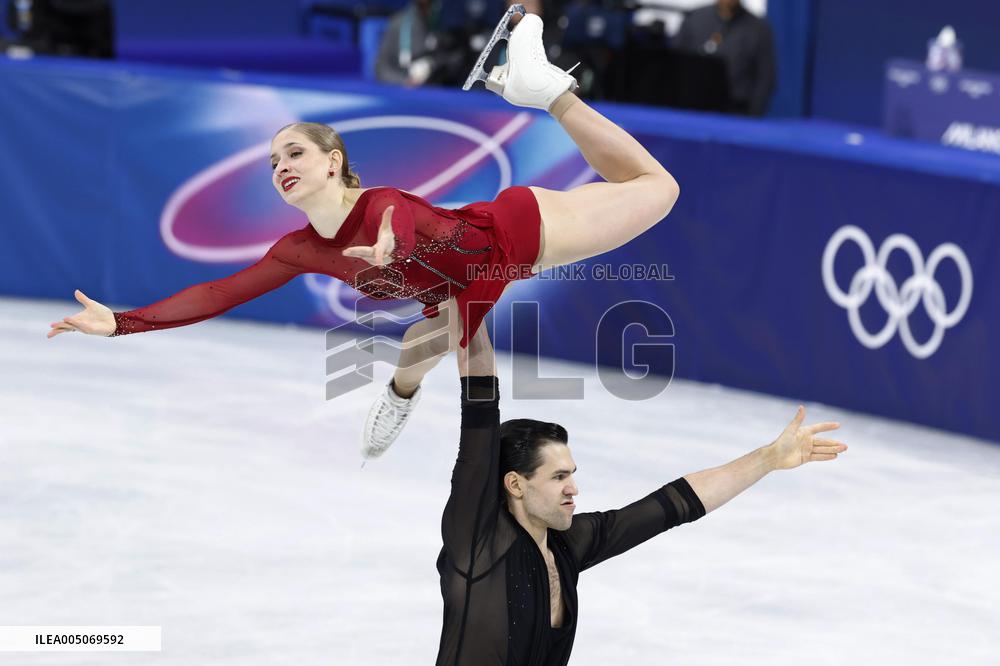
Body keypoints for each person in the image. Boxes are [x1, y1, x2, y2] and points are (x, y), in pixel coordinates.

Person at [47, 9, 680, 460]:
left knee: (656, 190)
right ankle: (407, 399)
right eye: (273, 163)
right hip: (461, 284)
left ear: (332, 161)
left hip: (518, 233)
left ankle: (548, 93)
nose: (281, 167)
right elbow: (219, 293)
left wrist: (390, 248)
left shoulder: (380, 203)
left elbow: (395, 220)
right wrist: (124, 324)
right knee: (438, 335)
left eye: (293, 153)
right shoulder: (299, 250)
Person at [444, 322, 847, 665]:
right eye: (558, 477)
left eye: (572, 474)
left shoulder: (566, 546)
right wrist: (472, 301)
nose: (573, 489)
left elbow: (675, 504)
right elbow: (480, 400)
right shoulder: (477, 540)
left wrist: (768, 458)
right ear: (515, 484)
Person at [674, 0, 775, 116]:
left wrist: (751, 118)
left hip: (736, 113)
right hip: (690, 110)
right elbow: (675, 63)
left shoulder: (759, 29)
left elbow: (766, 78)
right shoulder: (694, 19)